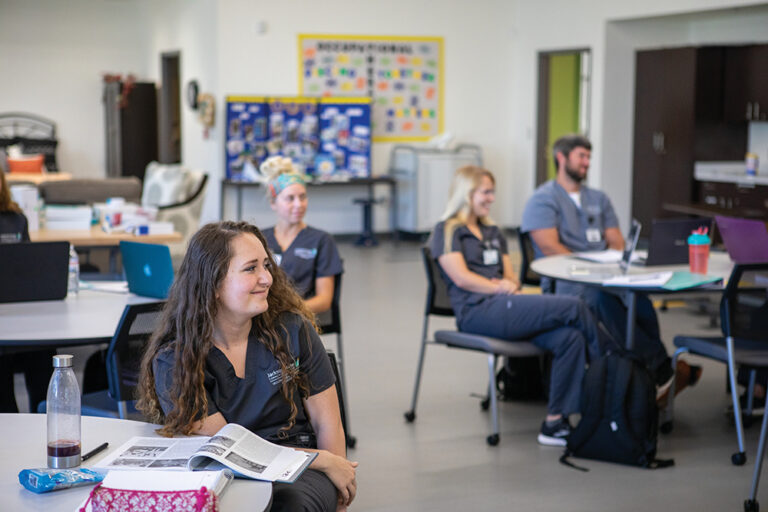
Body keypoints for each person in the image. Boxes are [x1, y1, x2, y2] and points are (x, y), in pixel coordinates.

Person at [137, 221, 357, 512]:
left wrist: (337, 485)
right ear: (213, 284)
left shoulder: (293, 330)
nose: (267, 278)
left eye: (266, 265)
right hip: (228, 470)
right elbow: (232, 451)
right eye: (251, 268)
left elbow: (328, 423)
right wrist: (322, 460)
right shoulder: (176, 360)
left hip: (301, 473)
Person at [430, 165, 614, 446]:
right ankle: (613, 370)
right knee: (573, 306)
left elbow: (511, 275)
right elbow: (461, 278)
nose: (492, 198)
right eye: (486, 192)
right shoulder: (446, 231)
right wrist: (497, 287)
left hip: (506, 306)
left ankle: (555, 423)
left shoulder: (492, 231)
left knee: (570, 338)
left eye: (493, 192)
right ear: (467, 194)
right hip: (477, 312)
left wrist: (510, 284)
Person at [520, 134, 701, 403]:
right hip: (566, 280)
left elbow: (615, 239)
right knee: (599, 299)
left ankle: (648, 372)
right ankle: (661, 369)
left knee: (638, 298)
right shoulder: (543, 199)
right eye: (581, 156)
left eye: (589, 157)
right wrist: (588, 266)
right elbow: (549, 247)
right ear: (561, 157)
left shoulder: (598, 198)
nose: (586, 163)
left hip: (605, 274)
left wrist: (615, 259)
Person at [260, 156, 343, 315]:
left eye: (302, 197)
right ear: (273, 203)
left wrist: (284, 313)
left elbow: (324, 300)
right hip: (261, 318)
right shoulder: (260, 240)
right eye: (290, 198)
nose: (299, 204)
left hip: (298, 319)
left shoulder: (321, 240)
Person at [0, 167, 53, 412]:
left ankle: (43, 417)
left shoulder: (16, 219)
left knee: (44, 350)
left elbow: (29, 267)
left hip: (22, 312)